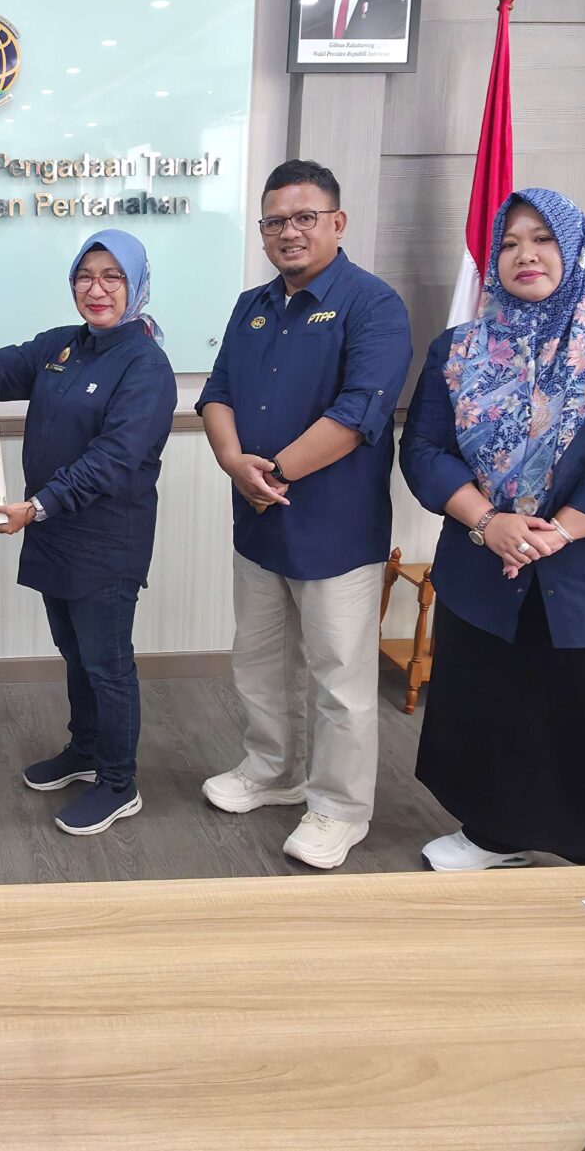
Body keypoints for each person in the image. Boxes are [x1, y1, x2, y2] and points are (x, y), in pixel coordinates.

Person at [400, 188, 585, 872]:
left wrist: (555, 533)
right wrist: (489, 521)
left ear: (576, 248)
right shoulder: (458, 350)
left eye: (542, 239)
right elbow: (423, 450)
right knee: (491, 705)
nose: (524, 254)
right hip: (485, 566)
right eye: (508, 243)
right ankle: (492, 834)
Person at [0, 230, 175, 836]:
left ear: (135, 285)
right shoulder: (62, 346)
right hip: (54, 532)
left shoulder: (147, 365)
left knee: (107, 663)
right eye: (85, 276)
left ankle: (118, 781)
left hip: (105, 538)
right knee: (74, 651)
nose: (97, 289)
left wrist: (38, 506)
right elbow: (0, 365)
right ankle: (85, 750)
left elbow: (114, 458)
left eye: (112, 277)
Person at [195, 159, 411, 870]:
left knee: (339, 680)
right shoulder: (251, 304)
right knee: (259, 661)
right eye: (275, 221)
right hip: (259, 522)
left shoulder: (372, 304)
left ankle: (339, 808)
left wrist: (275, 473)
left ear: (337, 223)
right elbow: (217, 392)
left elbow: (358, 413)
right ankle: (272, 770)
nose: (289, 232)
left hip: (335, 530)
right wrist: (234, 462)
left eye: (304, 218)